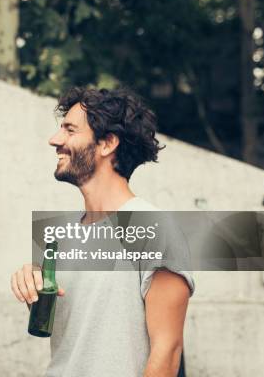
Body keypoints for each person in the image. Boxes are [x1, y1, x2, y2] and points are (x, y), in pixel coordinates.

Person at [11, 87, 195, 377]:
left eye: (70, 130)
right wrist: (32, 282)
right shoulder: (60, 234)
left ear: (107, 143)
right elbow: (74, 333)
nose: (54, 140)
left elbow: (167, 353)